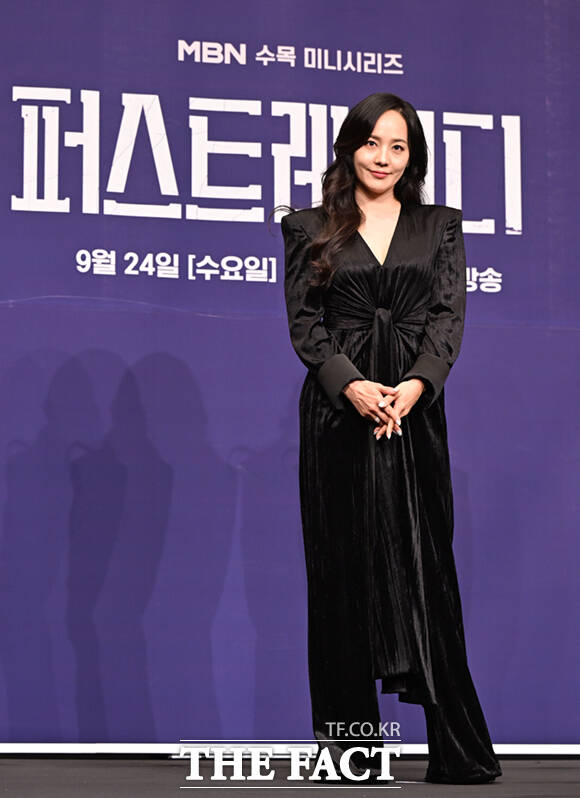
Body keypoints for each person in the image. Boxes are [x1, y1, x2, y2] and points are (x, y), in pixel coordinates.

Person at [280, 92, 502, 785]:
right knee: (341, 575)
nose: (383, 157)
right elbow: (305, 325)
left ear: (413, 157)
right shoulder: (308, 226)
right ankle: (352, 756)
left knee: (427, 570)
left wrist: (415, 386)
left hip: (413, 415)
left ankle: (458, 751)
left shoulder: (440, 226)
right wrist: (351, 385)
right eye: (372, 143)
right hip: (338, 417)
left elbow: (447, 317)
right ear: (349, 147)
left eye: (398, 146)